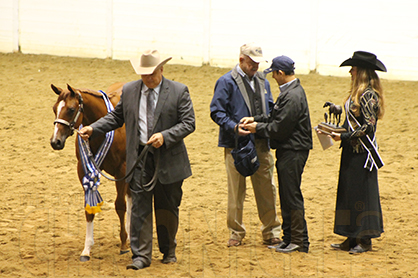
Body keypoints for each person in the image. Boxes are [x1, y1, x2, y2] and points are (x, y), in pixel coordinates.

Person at [78, 49, 195, 269]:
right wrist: (93, 128)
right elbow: (115, 117)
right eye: (144, 74)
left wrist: (165, 136)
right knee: (139, 205)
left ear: (161, 69)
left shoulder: (179, 91)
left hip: (168, 158)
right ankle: (140, 255)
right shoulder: (131, 90)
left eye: (151, 74)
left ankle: (168, 249)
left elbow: (189, 123)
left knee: (167, 208)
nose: (148, 78)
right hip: (139, 157)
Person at [210, 43, 282, 247]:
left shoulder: (263, 81)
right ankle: (235, 232)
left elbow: (269, 108)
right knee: (236, 191)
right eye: (252, 62)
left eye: (258, 63)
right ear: (241, 60)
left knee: (267, 188)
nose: (255, 66)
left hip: (261, 142)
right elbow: (217, 111)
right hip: (236, 144)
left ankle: (271, 231)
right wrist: (234, 127)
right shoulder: (225, 82)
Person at [241, 55, 312, 253]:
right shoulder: (291, 92)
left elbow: (279, 128)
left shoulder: (292, 95)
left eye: (274, 73)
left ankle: (298, 240)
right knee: (287, 194)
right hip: (291, 149)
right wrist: (255, 118)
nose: (272, 77)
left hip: (293, 150)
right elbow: (275, 116)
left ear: (280, 73)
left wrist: (256, 127)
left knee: (291, 195)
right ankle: (291, 238)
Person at [327, 51, 386, 254]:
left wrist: (343, 137)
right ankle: (350, 236)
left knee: (362, 195)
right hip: (352, 151)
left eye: (353, 68)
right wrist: (335, 126)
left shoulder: (369, 95)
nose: (350, 71)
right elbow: (351, 122)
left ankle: (365, 239)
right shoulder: (357, 93)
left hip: (363, 152)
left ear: (360, 71)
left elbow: (369, 127)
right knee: (347, 193)